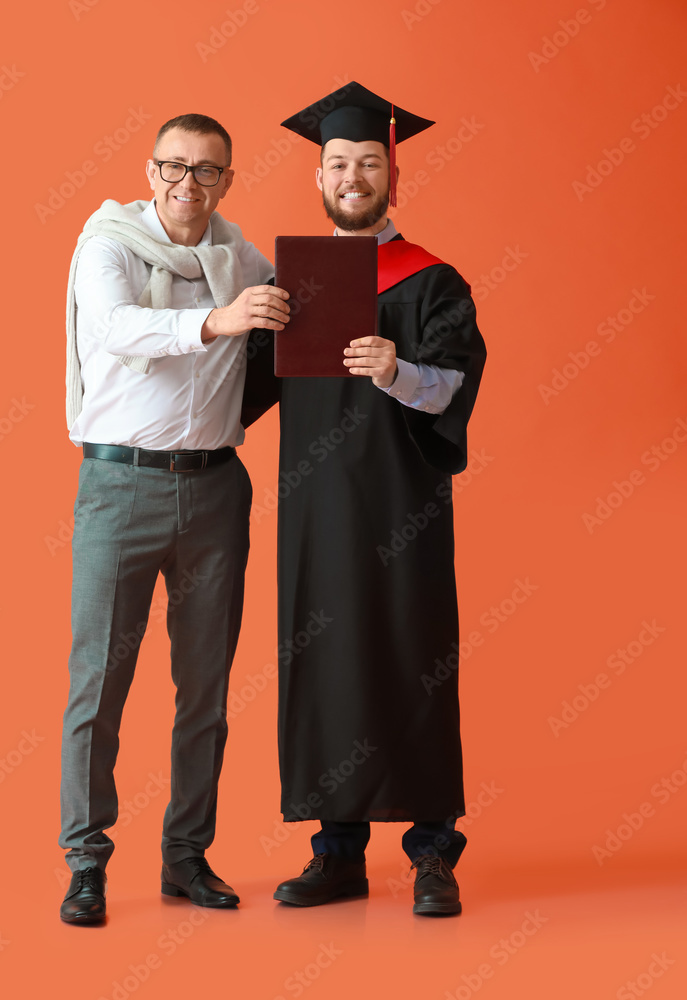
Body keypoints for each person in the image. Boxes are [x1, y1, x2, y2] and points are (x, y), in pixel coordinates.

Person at [242, 82, 486, 915]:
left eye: (368, 164)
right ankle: (337, 853)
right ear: (317, 178)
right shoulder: (292, 284)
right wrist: (243, 324)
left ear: (391, 175)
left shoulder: (432, 281)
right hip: (314, 513)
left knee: (413, 661)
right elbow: (240, 397)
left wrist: (396, 371)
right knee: (325, 663)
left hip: (401, 507)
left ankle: (430, 855)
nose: (352, 176)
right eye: (337, 163)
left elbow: (452, 387)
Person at [59, 113, 290, 924]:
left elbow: (296, 311)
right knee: (98, 683)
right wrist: (220, 320)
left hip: (217, 490)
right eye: (173, 167)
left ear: (227, 179)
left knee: (206, 689)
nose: (186, 185)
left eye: (206, 171)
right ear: (149, 169)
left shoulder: (238, 255)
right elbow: (117, 330)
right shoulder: (109, 244)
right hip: (120, 488)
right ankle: (86, 861)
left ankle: (185, 856)